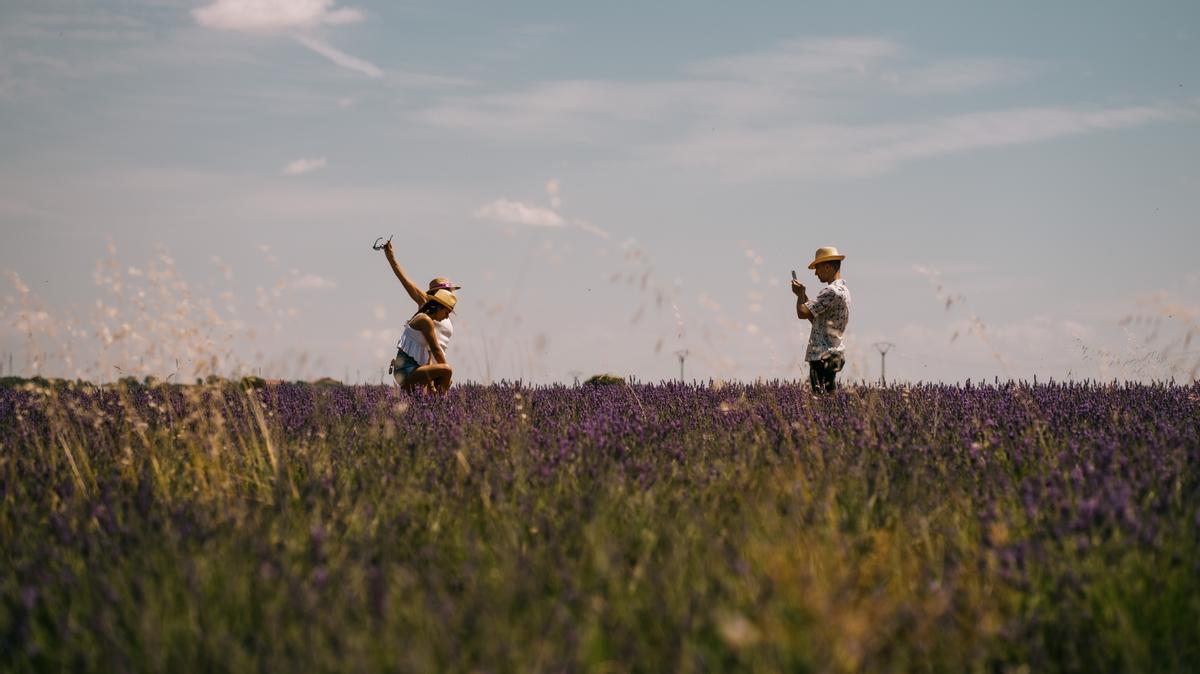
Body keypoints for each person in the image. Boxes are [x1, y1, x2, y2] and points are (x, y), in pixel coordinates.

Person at [380, 240, 461, 392]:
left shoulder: (443, 313)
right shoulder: (425, 308)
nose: (450, 293)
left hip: (427, 362)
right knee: (435, 398)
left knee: (423, 405)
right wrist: (391, 258)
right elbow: (405, 280)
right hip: (424, 364)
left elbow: (430, 350)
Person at [792, 246, 852, 393]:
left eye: (817, 269)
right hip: (834, 352)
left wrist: (799, 294)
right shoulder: (843, 290)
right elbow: (816, 319)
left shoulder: (831, 291)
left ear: (827, 267)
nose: (816, 274)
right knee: (828, 398)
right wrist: (804, 296)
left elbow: (802, 312)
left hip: (822, 355)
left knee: (821, 399)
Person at [391, 289, 457, 392]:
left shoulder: (425, 320)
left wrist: (432, 385)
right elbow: (436, 349)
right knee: (446, 370)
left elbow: (429, 356)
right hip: (406, 371)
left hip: (410, 370)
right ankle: (441, 404)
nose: (446, 317)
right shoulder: (425, 320)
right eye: (446, 312)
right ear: (438, 307)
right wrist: (447, 376)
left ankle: (436, 402)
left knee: (438, 378)